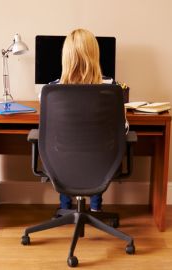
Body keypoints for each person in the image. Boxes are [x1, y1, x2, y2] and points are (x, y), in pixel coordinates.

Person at [49, 28, 115, 212]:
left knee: (65, 147)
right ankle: (95, 209)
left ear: (65, 56)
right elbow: (121, 127)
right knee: (95, 146)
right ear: (95, 55)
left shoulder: (50, 91)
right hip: (101, 160)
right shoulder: (111, 89)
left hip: (61, 159)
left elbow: (49, 130)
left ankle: (65, 208)